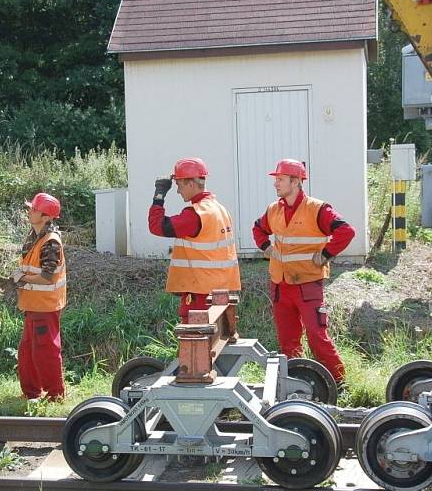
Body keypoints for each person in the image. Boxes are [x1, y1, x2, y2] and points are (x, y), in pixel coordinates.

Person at [252, 159, 354, 384]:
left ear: (296, 181)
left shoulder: (317, 209)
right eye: (276, 179)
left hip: (308, 285)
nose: (275, 184)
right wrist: (266, 248)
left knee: (317, 337)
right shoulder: (273, 209)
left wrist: (326, 254)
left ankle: (339, 383)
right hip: (280, 285)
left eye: (280, 179)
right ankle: (298, 384)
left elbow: (346, 231)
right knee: (288, 341)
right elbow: (258, 229)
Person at [148, 157, 241, 322]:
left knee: (195, 344)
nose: (178, 191)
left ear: (191, 183)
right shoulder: (219, 209)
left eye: (179, 185)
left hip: (200, 294)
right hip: (220, 291)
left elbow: (156, 226)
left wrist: (159, 195)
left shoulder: (195, 214)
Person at [12, 192, 66, 401]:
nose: (30, 211)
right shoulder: (35, 237)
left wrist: (21, 278)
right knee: (27, 352)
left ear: (46, 216)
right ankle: (32, 393)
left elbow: (48, 277)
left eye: (34, 209)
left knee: (46, 351)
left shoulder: (50, 242)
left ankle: (55, 394)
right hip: (33, 305)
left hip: (44, 306)